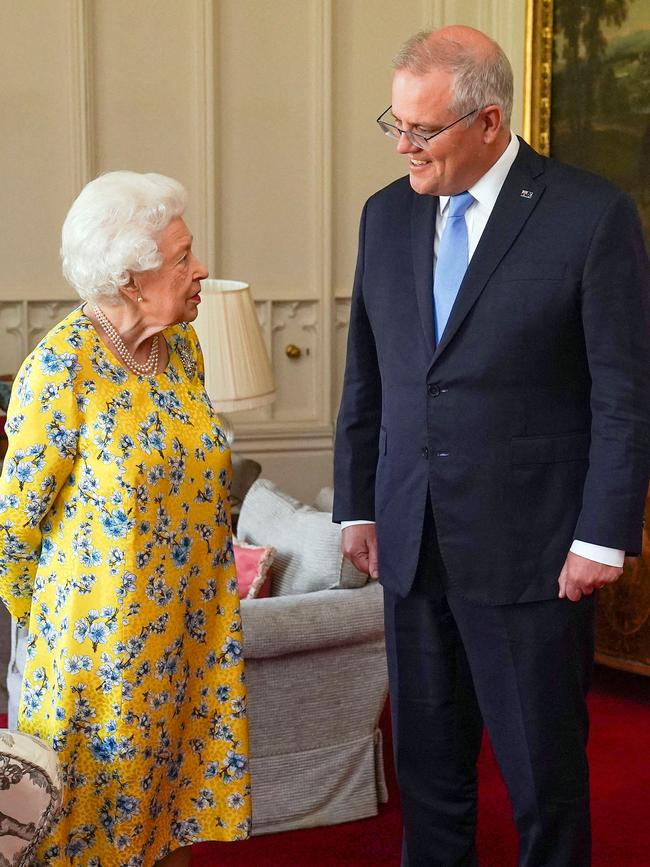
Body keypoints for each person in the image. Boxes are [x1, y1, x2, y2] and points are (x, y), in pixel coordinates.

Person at [333, 26, 649, 867]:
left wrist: (600, 534)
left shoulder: (590, 214)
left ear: (488, 121)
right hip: (410, 540)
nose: (404, 146)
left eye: (422, 130)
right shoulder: (384, 214)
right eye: (393, 124)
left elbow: (624, 393)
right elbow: (368, 375)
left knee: (543, 780)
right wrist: (357, 504)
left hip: (535, 554)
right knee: (428, 773)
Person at [0, 171, 251, 866]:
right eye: (182, 258)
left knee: (169, 819)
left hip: (187, 642)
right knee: (88, 838)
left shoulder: (183, 353)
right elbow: (12, 532)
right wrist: (72, 625)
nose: (201, 270)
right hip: (97, 659)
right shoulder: (58, 369)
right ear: (132, 278)